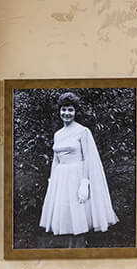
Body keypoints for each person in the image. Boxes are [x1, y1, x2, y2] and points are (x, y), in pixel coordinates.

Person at [39, 91, 118, 239]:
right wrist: (52, 180)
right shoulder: (58, 134)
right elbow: (56, 159)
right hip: (61, 179)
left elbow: (88, 159)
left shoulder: (83, 131)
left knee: (79, 218)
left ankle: (80, 250)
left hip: (77, 176)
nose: (66, 113)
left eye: (70, 109)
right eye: (63, 109)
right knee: (65, 217)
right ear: (59, 111)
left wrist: (84, 183)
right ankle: (69, 253)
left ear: (75, 111)